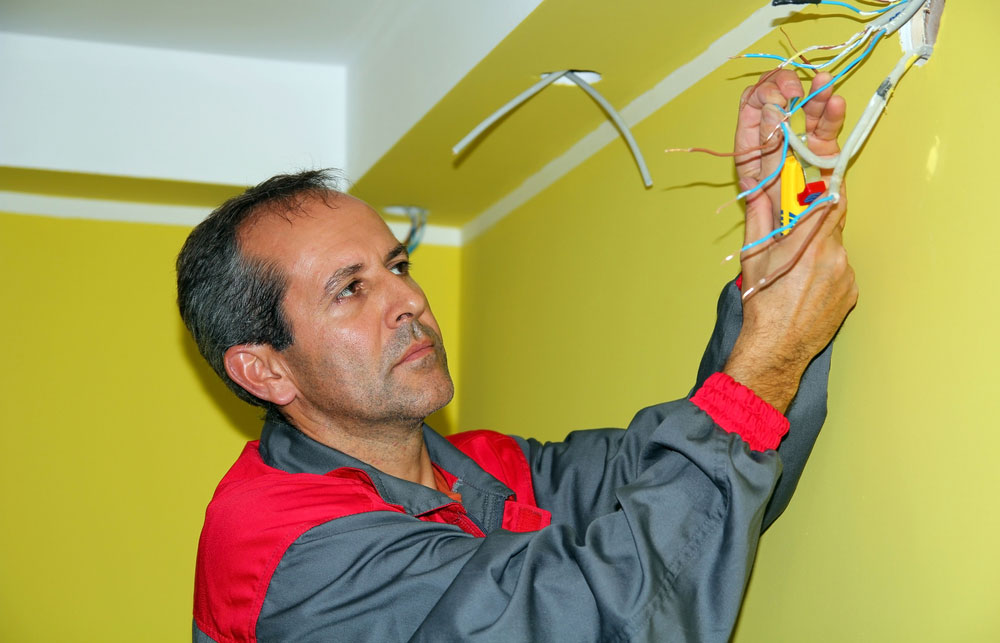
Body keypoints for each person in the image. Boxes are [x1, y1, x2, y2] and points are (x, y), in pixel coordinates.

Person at [179, 69, 856, 642]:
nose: (408, 300)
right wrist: (768, 360)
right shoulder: (281, 545)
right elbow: (600, 616)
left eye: (399, 265)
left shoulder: (478, 469)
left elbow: (687, 487)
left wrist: (770, 274)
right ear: (263, 368)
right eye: (351, 289)